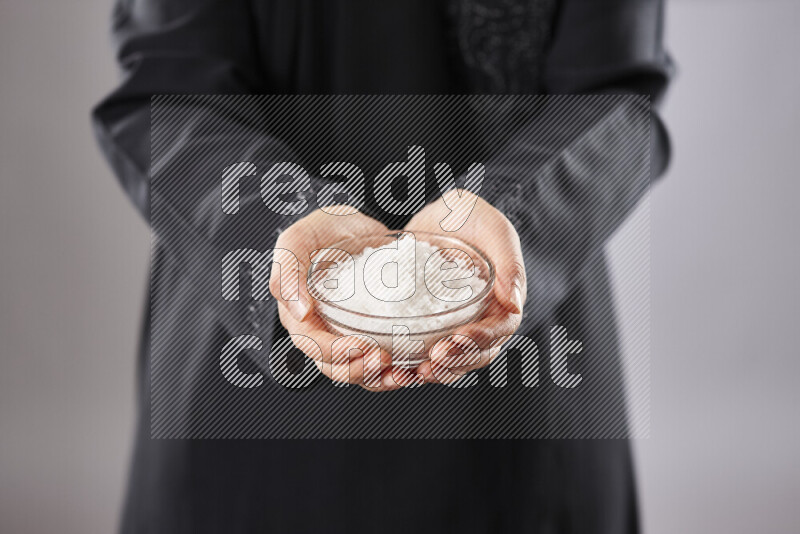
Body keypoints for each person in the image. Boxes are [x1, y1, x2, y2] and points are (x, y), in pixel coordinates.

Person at [94, 0, 672, 532]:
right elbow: (167, 93)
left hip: (519, 382)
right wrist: (277, 225)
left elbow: (617, 95)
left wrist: (516, 212)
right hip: (247, 399)